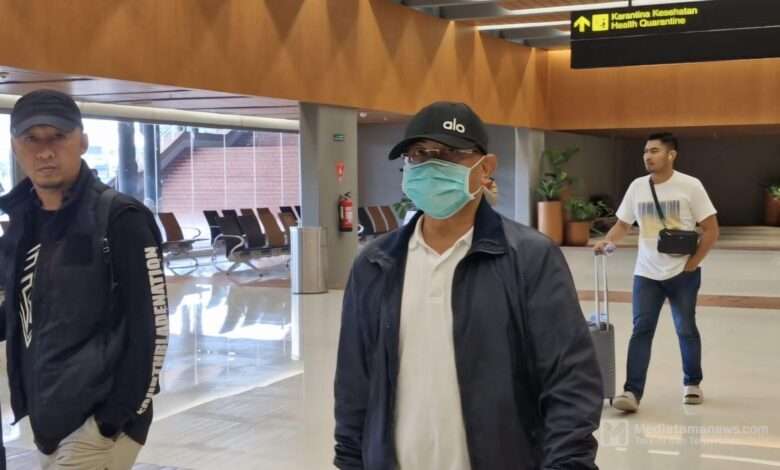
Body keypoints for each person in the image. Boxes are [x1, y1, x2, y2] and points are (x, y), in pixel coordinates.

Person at [334, 101, 603, 470]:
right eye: (418, 155)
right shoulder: (375, 264)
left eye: (448, 153)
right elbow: (354, 385)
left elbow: (570, 379)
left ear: (486, 167)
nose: (430, 166)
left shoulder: (529, 257)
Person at [0, 89, 169, 469]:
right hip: (47, 420)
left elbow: (153, 330)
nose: (45, 151)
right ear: (15, 147)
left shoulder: (121, 218)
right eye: (31, 139)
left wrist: (109, 423)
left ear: (83, 142)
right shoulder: (24, 225)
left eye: (57, 137)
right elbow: (18, 313)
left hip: (99, 429)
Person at [594, 132, 719, 413]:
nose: (647, 156)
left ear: (671, 155)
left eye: (654, 151)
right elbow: (623, 224)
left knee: (685, 328)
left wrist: (693, 263)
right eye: (645, 152)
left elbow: (711, 230)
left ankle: (692, 383)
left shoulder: (690, 186)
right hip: (646, 273)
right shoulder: (638, 187)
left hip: (683, 273)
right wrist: (608, 241)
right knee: (641, 330)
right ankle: (632, 392)